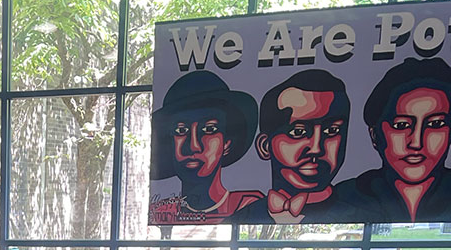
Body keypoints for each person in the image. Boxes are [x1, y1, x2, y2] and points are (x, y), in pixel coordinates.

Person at [336, 58, 451, 223]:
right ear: (375, 135)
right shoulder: (346, 198)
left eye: (435, 124)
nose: (416, 142)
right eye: (402, 125)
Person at [237, 70, 350, 224]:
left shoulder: (361, 212)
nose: (316, 148)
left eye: (332, 131)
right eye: (298, 132)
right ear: (265, 146)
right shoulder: (242, 217)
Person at [149, 70, 261, 224]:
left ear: (227, 144)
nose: (193, 146)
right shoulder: (162, 211)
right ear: (170, 143)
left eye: (209, 130)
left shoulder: (250, 206)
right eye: (181, 131)